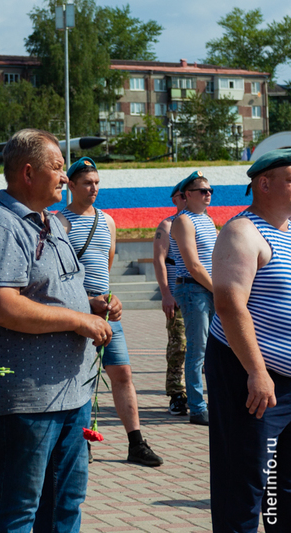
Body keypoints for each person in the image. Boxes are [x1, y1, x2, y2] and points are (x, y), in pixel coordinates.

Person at [0, 129, 121, 532]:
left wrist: (91, 305)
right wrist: (79, 320)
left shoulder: (52, 223)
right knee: (17, 509)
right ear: (28, 172)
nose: (65, 177)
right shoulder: (0, 226)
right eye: (57, 167)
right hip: (27, 399)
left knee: (64, 506)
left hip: (70, 393)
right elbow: (2, 305)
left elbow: (52, 292)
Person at [56, 157, 162, 467]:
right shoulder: (59, 222)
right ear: (71, 185)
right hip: (77, 312)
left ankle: (136, 443)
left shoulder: (108, 221)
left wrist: (110, 300)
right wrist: (87, 300)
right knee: (81, 378)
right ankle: (80, 442)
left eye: (97, 183)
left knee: (122, 374)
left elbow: (107, 264)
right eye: (87, 183)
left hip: (105, 311)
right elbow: (58, 274)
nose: (94, 188)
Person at [207, 149, 291, 532]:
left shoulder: (287, 231)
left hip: (284, 381)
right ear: (265, 184)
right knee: (243, 482)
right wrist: (257, 372)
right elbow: (229, 304)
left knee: (282, 487)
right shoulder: (242, 232)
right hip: (251, 377)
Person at [171, 170, 217, 426]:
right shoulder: (183, 221)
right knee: (198, 351)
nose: (208, 194)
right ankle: (198, 408)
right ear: (187, 195)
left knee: (214, 350)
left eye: (210, 190)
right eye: (202, 191)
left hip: (208, 288)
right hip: (194, 289)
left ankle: (215, 402)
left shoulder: (207, 220)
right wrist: (218, 290)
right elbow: (193, 265)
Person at [153, 183, 188, 416]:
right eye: (183, 195)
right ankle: (177, 394)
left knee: (205, 348)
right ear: (175, 199)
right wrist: (166, 294)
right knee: (179, 346)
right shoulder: (167, 225)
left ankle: (197, 395)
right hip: (178, 296)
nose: (187, 199)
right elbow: (159, 260)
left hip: (204, 296)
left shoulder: (205, 223)